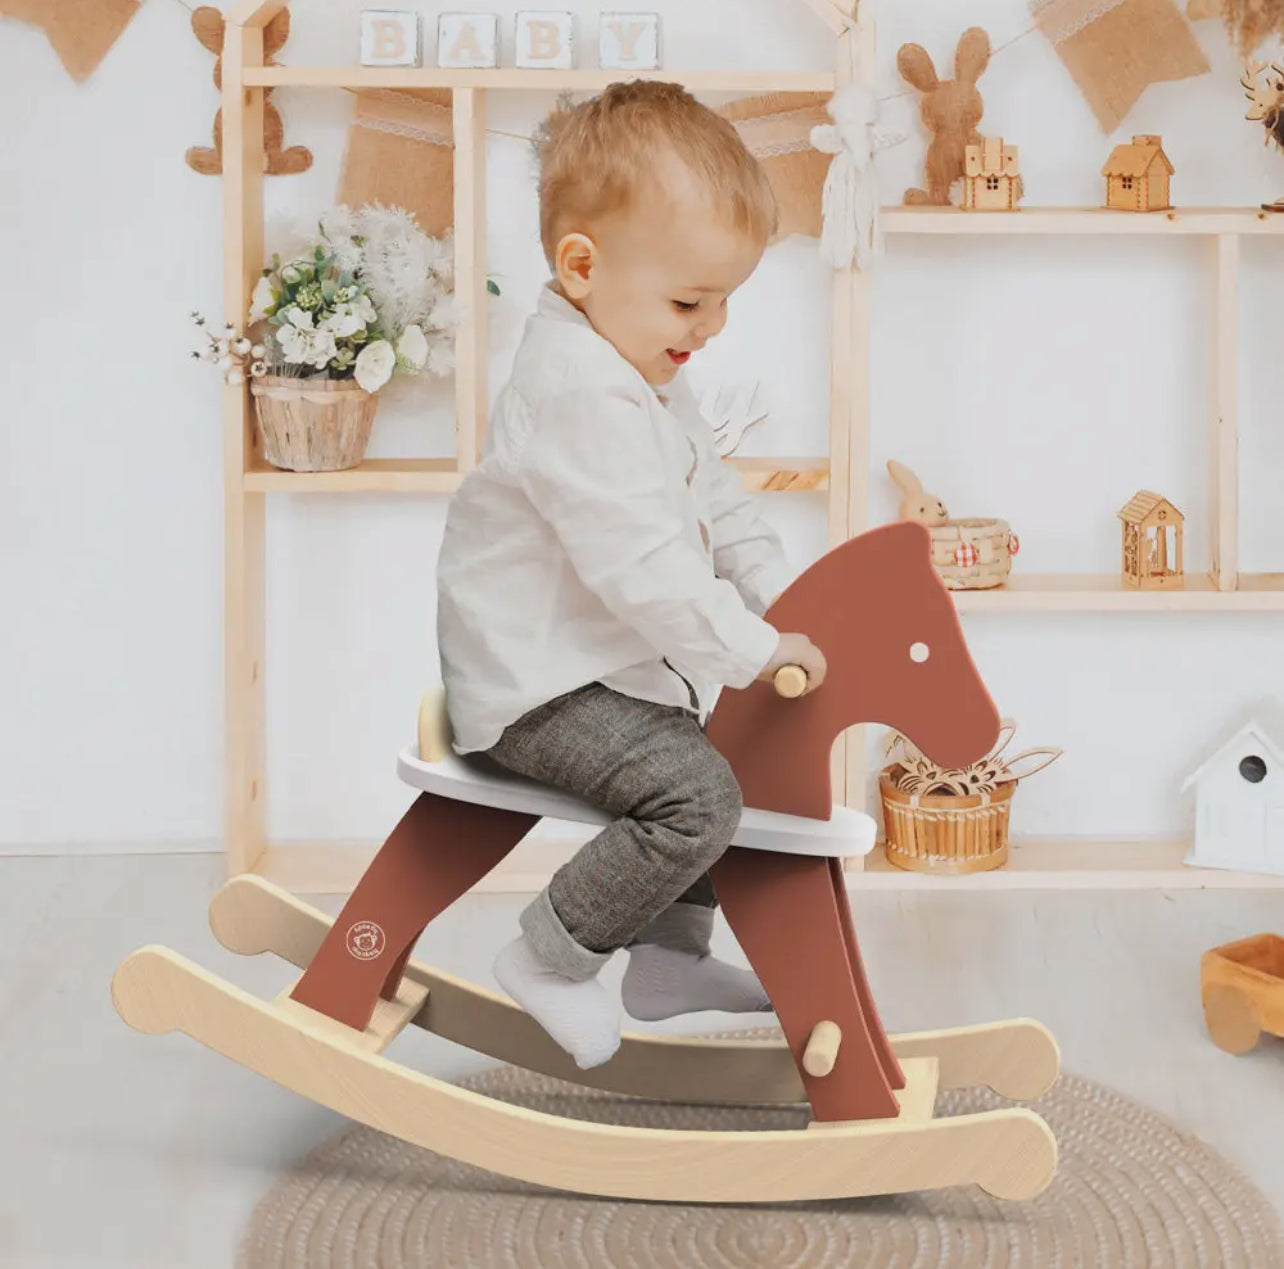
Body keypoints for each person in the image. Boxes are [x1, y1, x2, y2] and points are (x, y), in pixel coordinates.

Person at [436, 80, 827, 1069]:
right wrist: (749, 646)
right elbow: (641, 567)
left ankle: (668, 961)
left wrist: (787, 602)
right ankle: (550, 956)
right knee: (697, 797)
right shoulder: (577, 391)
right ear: (582, 267)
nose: (713, 324)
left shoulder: (644, 371)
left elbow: (718, 499)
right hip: (537, 685)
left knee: (724, 756)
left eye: (726, 299)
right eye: (690, 300)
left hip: (602, 670)